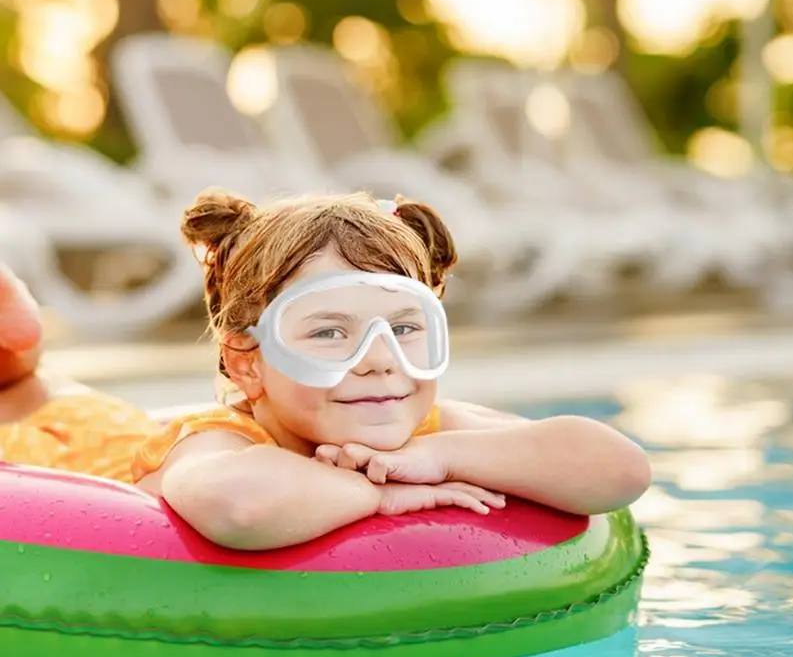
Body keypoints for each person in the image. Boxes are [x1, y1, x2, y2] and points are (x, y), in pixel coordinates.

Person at [0, 190, 650, 551]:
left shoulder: (425, 431)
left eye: (402, 328)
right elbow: (241, 506)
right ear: (247, 362)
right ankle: (19, 348)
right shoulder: (215, 442)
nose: (376, 359)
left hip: (109, 422)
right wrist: (385, 496)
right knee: (26, 395)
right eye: (329, 331)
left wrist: (446, 457)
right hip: (68, 445)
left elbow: (620, 469)